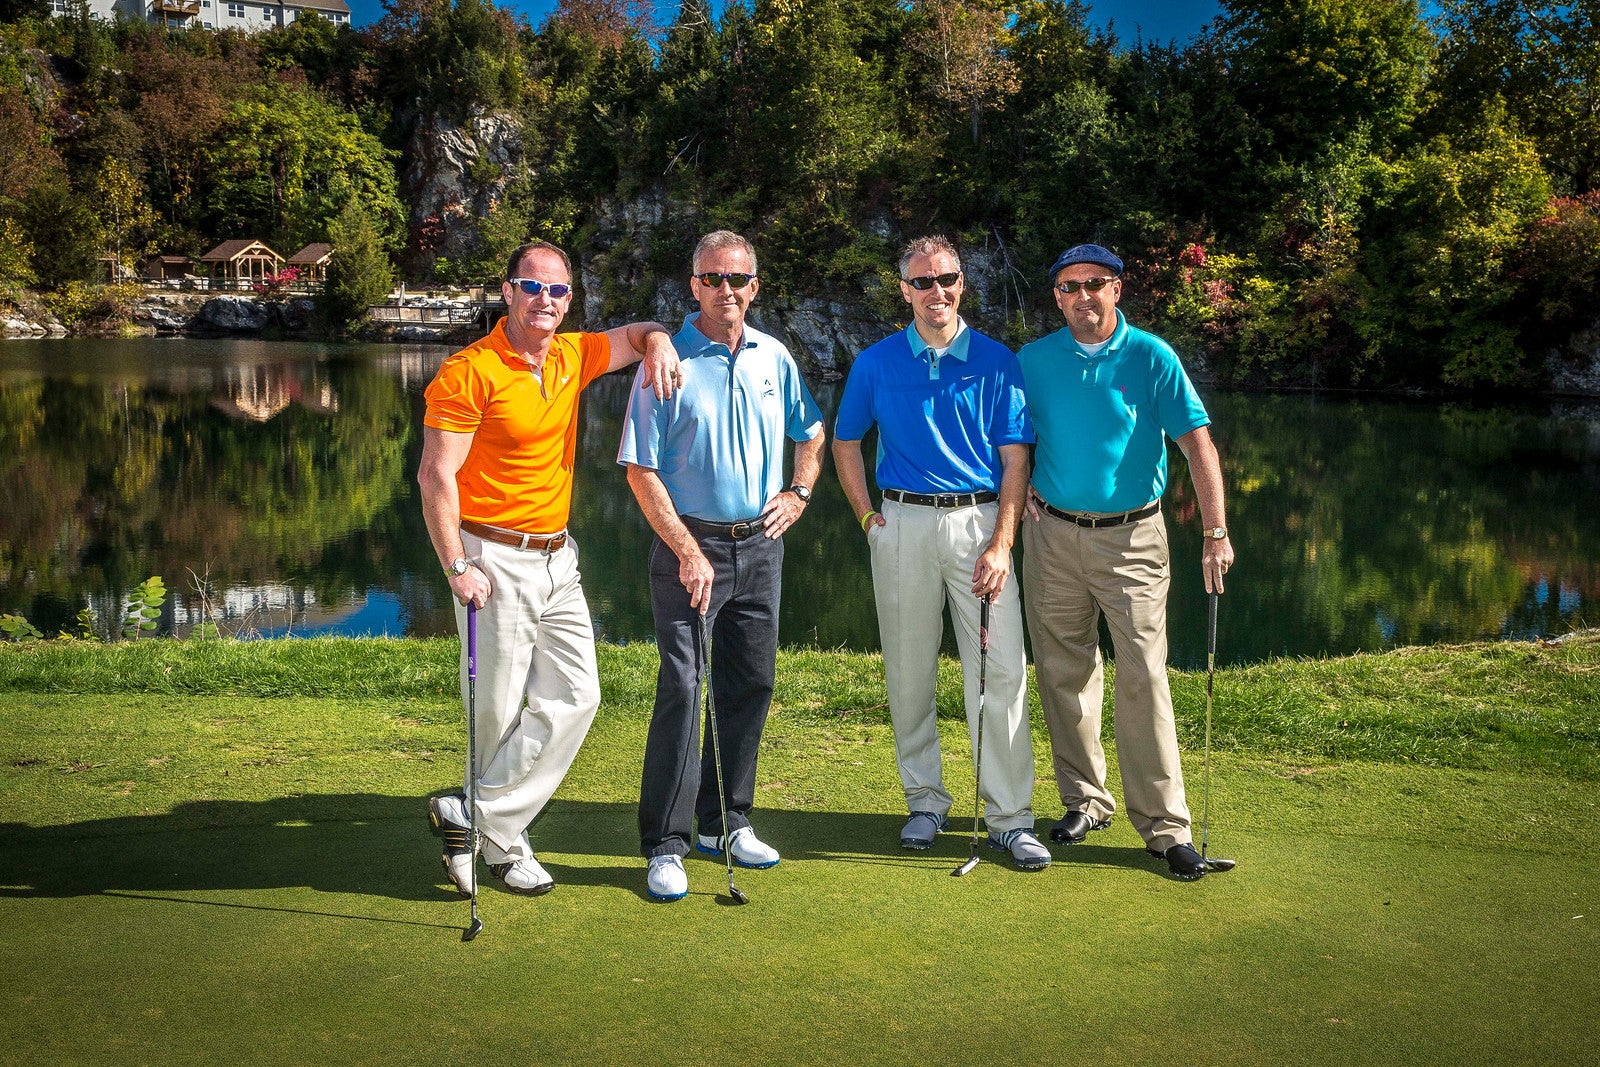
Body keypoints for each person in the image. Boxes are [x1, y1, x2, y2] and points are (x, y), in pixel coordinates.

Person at [418, 240, 681, 896]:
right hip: (491, 558)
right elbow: (435, 476)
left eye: (558, 290)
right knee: (497, 712)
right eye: (532, 287)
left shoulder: (571, 354)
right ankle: (503, 847)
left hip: (559, 557)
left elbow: (637, 333)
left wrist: (659, 343)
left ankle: (473, 815)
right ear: (508, 292)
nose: (546, 300)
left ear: (569, 299)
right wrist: (456, 565)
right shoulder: (468, 371)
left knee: (578, 695)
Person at [1017, 242, 1235, 881]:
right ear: (1057, 297)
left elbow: (1198, 447)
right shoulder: (1033, 360)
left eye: (1096, 284)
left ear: (1117, 290)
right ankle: (1085, 800)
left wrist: (1215, 532)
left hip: (1133, 539)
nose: (1082, 296)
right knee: (1063, 671)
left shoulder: (1151, 356)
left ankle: (1166, 828)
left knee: (1143, 674)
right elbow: (1009, 439)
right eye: (1070, 286)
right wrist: (1018, 489)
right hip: (1052, 536)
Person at [618, 230, 825, 902]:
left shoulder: (774, 356)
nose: (725, 290)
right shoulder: (667, 359)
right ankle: (667, 843)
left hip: (761, 545)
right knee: (684, 686)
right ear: (694, 286)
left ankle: (727, 822)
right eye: (712, 278)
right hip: (690, 545)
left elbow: (811, 433)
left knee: (749, 683)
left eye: (737, 279)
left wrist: (798, 493)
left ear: (754, 287)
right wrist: (685, 548)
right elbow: (641, 469)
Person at [832, 236, 1047, 869]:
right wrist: (868, 518)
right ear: (905, 290)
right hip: (901, 524)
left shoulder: (998, 361)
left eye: (947, 279)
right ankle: (925, 801)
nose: (937, 292)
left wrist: (1003, 542)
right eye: (923, 282)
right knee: (908, 673)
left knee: (1000, 671)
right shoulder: (874, 362)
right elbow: (845, 442)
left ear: (961, 284)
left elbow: (1016, 460)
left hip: (980, 525)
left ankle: (1009, 817)